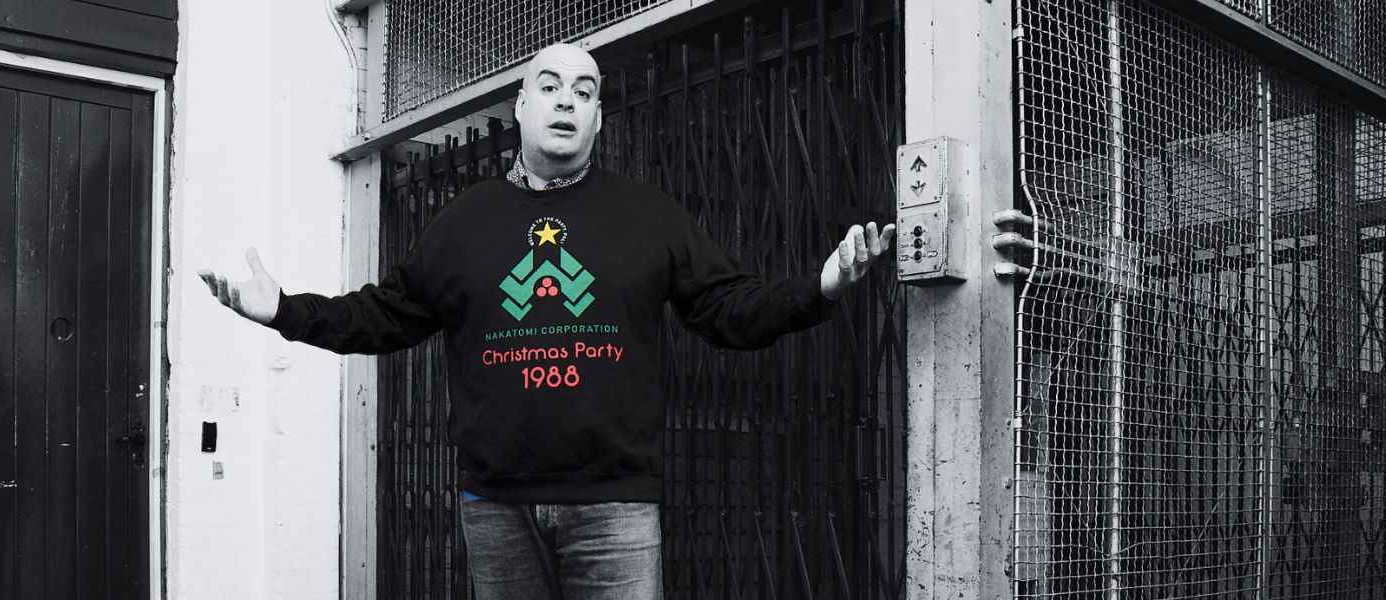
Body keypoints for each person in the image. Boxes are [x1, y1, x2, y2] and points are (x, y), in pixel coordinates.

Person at [197, 43, 895, 600]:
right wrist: (284, 311)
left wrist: (822, 286)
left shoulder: (649, 216)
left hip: (615, 509)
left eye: (585, 91)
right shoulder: (463, 223)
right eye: (552, 85)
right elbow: (384, 316)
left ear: (598, 120)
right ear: (522, 105)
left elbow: (729, 310)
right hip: (497, 509)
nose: (568, 99)